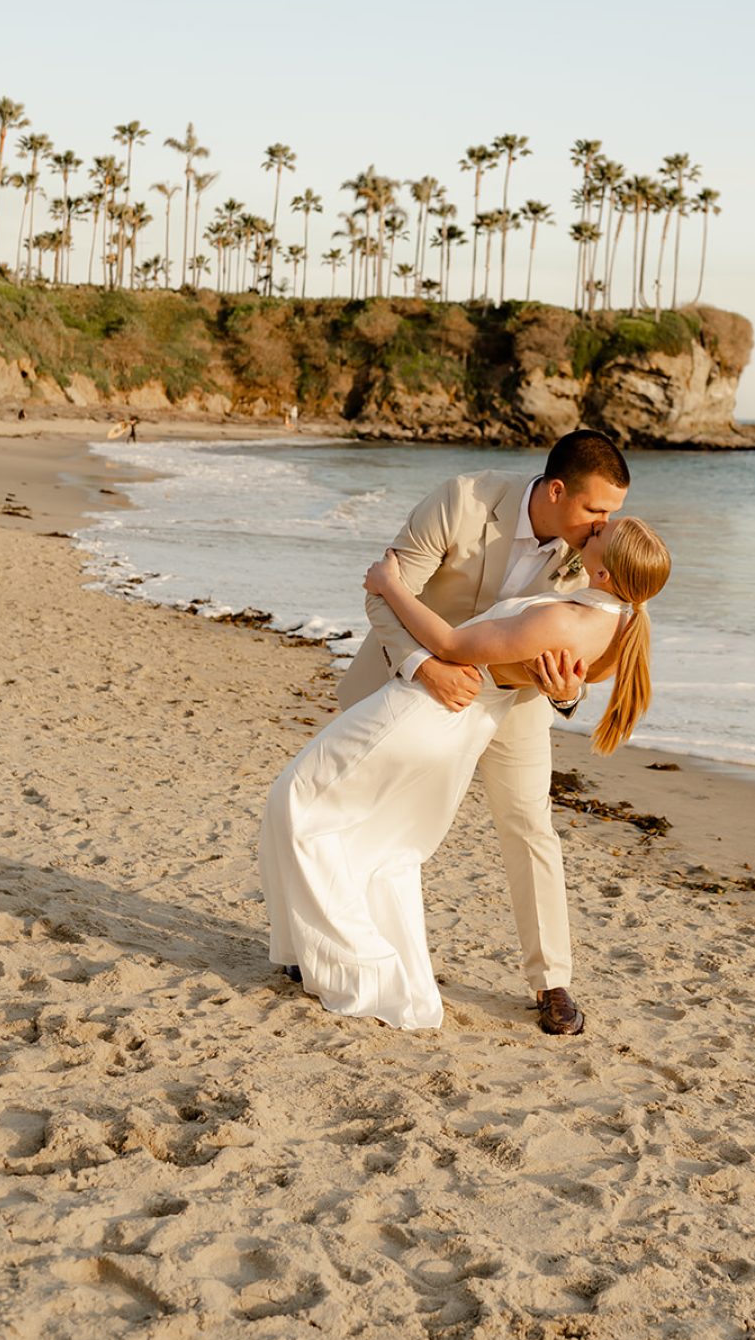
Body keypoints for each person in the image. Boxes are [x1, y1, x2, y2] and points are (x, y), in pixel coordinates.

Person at [259, 515, 671, 1031]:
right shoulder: (622, 621)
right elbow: (578, 668)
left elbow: (453, 646)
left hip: (425, 709)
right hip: (455, 717)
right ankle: (322, 956)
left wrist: (390, 585)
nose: (598, 525)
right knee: (382, 845)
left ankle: (360, 965)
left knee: (295, 800)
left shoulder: (569, 619)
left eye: (603, 534)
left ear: (609, 573)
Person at [334, 430, 631, 1034]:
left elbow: (590, 652)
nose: (605, 527)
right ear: (556, 491)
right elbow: (384, 593)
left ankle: (552, 981)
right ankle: (330, 945)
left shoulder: (592, 556)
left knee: (529, 825)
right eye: (597, 510)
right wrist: (426, 667)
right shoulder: (462, 502)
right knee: (351, 812)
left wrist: (569, 692)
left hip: (515, 701)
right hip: (405, 673)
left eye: (612, 515)